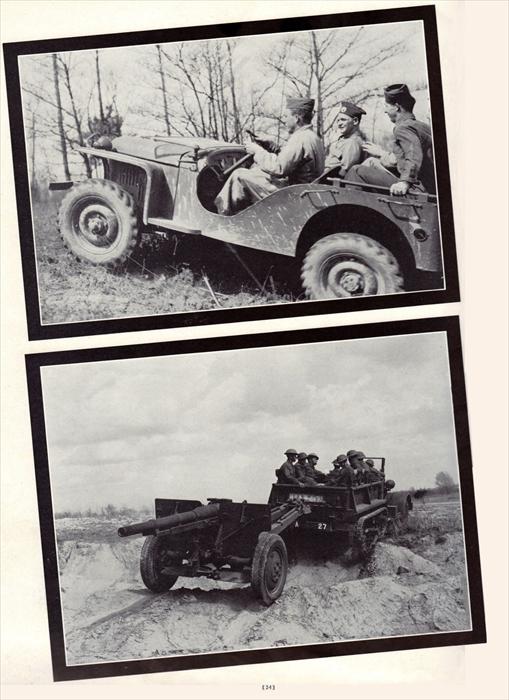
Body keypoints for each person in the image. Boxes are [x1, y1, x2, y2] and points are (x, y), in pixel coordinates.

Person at [214, 96, 325, 215]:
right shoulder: (312, 137)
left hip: (292, 195)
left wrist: (257, 151)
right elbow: (294, 160)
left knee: (239, 175)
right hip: (303, 192)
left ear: (297, 118)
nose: (284, 120)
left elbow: (279, 168)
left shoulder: (300, 138)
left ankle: (223, 217)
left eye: (286, 116)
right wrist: (272, 146)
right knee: (256, 172)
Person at [347, 83, 436, 195]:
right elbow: (405, 158)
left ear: (396, 107)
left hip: (417, 189)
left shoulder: (403, 128)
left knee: (356, 171)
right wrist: (381, 153)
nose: (385, 111)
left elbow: (414, 155)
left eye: (387, 106)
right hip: (429, 186)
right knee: (372, 162)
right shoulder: (422, 126)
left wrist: (404, 182)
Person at [325, 101, 366, 176]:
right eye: (338, 120)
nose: (339, 123)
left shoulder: (352, 143)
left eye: (343, 120)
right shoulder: (346, 140)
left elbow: (345, 173)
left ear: (355, 121)